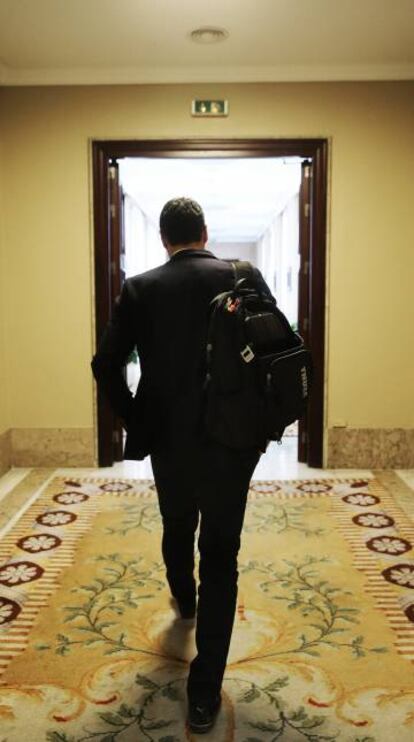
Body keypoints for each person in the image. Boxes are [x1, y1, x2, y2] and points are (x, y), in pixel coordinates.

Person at [91, 197, 273, 734]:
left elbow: (106, 363)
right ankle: (204, 693)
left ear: (166, 238)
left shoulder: (141, 288)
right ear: (204, 232)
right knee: (222, 552)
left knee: (177, 523)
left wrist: (135, 417)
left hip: (169, 437)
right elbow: (273, 354)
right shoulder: (244, 276)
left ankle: (184, 598)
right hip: (232, 440)